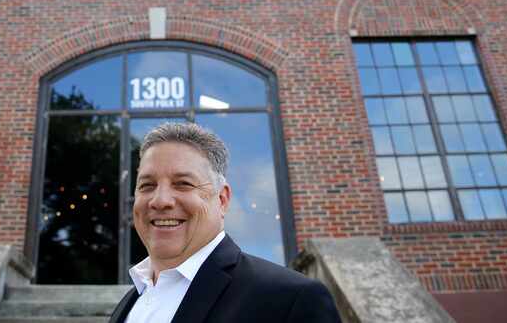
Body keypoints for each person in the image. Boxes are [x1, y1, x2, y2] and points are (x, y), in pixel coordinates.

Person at [109, 122, 342, 323]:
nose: (160, 201)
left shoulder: (291, 299)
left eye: (183, 184)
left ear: (222, 199)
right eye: (147, 186)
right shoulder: (128, 304)